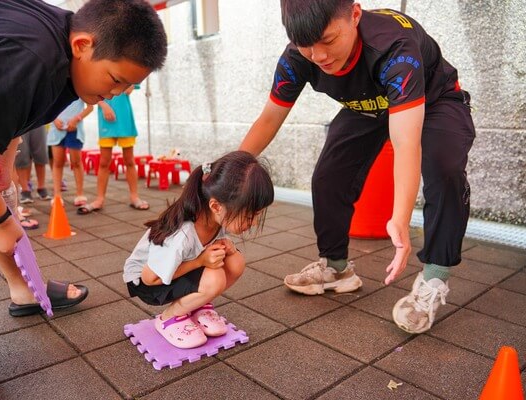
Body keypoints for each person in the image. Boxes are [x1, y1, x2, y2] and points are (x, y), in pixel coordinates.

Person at [0, 0, 167, 398]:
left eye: (127, 87)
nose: (115, 94)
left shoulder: (73, 59)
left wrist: (3, 161)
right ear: (82, 45)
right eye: (115, 80)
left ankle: (23, 290)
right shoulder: (30, 54)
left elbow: (15, 112)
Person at [239, 1, 475, 335]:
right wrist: (226, 170)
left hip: (434, 100)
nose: (318, 56)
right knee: (328, 175)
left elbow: (407, 142)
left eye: (328, 41)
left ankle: (435, 278)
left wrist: (400, 219)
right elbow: (269, 118)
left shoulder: (395, 47)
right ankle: (336, 269)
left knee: (444, 166)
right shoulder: (296, 57)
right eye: (306, 46)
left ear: (354, 15)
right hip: (369, 107)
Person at [123, 151, 274, 348]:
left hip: (172, 270)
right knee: (214, 278)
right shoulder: (182, 234)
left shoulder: (213, 219)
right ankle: (169, 318)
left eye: (257, 215)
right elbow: (149, 278)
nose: (253, 223)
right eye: (248, 216)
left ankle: (195, 307)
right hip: (146, 283)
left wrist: (225, 248)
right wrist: (200, 261)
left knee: (235, 261)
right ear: (216, 206)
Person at [78, 85, 149, 214]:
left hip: (124, 121)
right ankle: (99, 199)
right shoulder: (100, 69)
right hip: (106, 121)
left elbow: (131, 85)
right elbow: (94, 92)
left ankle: (134, 197)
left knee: (129, 161)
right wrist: (104, 106)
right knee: (104, 162)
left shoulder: (128, 69)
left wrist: (130, 83)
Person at [47, 99, 94, 206]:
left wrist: (77, 119)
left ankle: (80, 193)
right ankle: (57, 195)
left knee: (76, 162)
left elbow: (90, 107)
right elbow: (48, 107)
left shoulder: (81, 87)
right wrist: (54, 119)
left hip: (75, 129)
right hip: (56, 129)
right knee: (58, 162)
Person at [15, 126, 52, 204]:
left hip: (38, 120)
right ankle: (25, 190)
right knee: (21, 155)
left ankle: (41, 187)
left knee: (41, 154)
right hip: (20, 122)